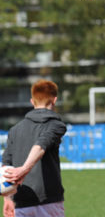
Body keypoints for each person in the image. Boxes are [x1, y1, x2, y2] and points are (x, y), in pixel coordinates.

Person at [2, 79, 67, 217]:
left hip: (21, 202)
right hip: (48, 201)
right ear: (54, 100)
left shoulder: (15, 129)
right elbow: (41, 145)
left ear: (32, 101)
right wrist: (25, 169)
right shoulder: (56, 125)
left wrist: (7, 197)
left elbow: (6, 166)